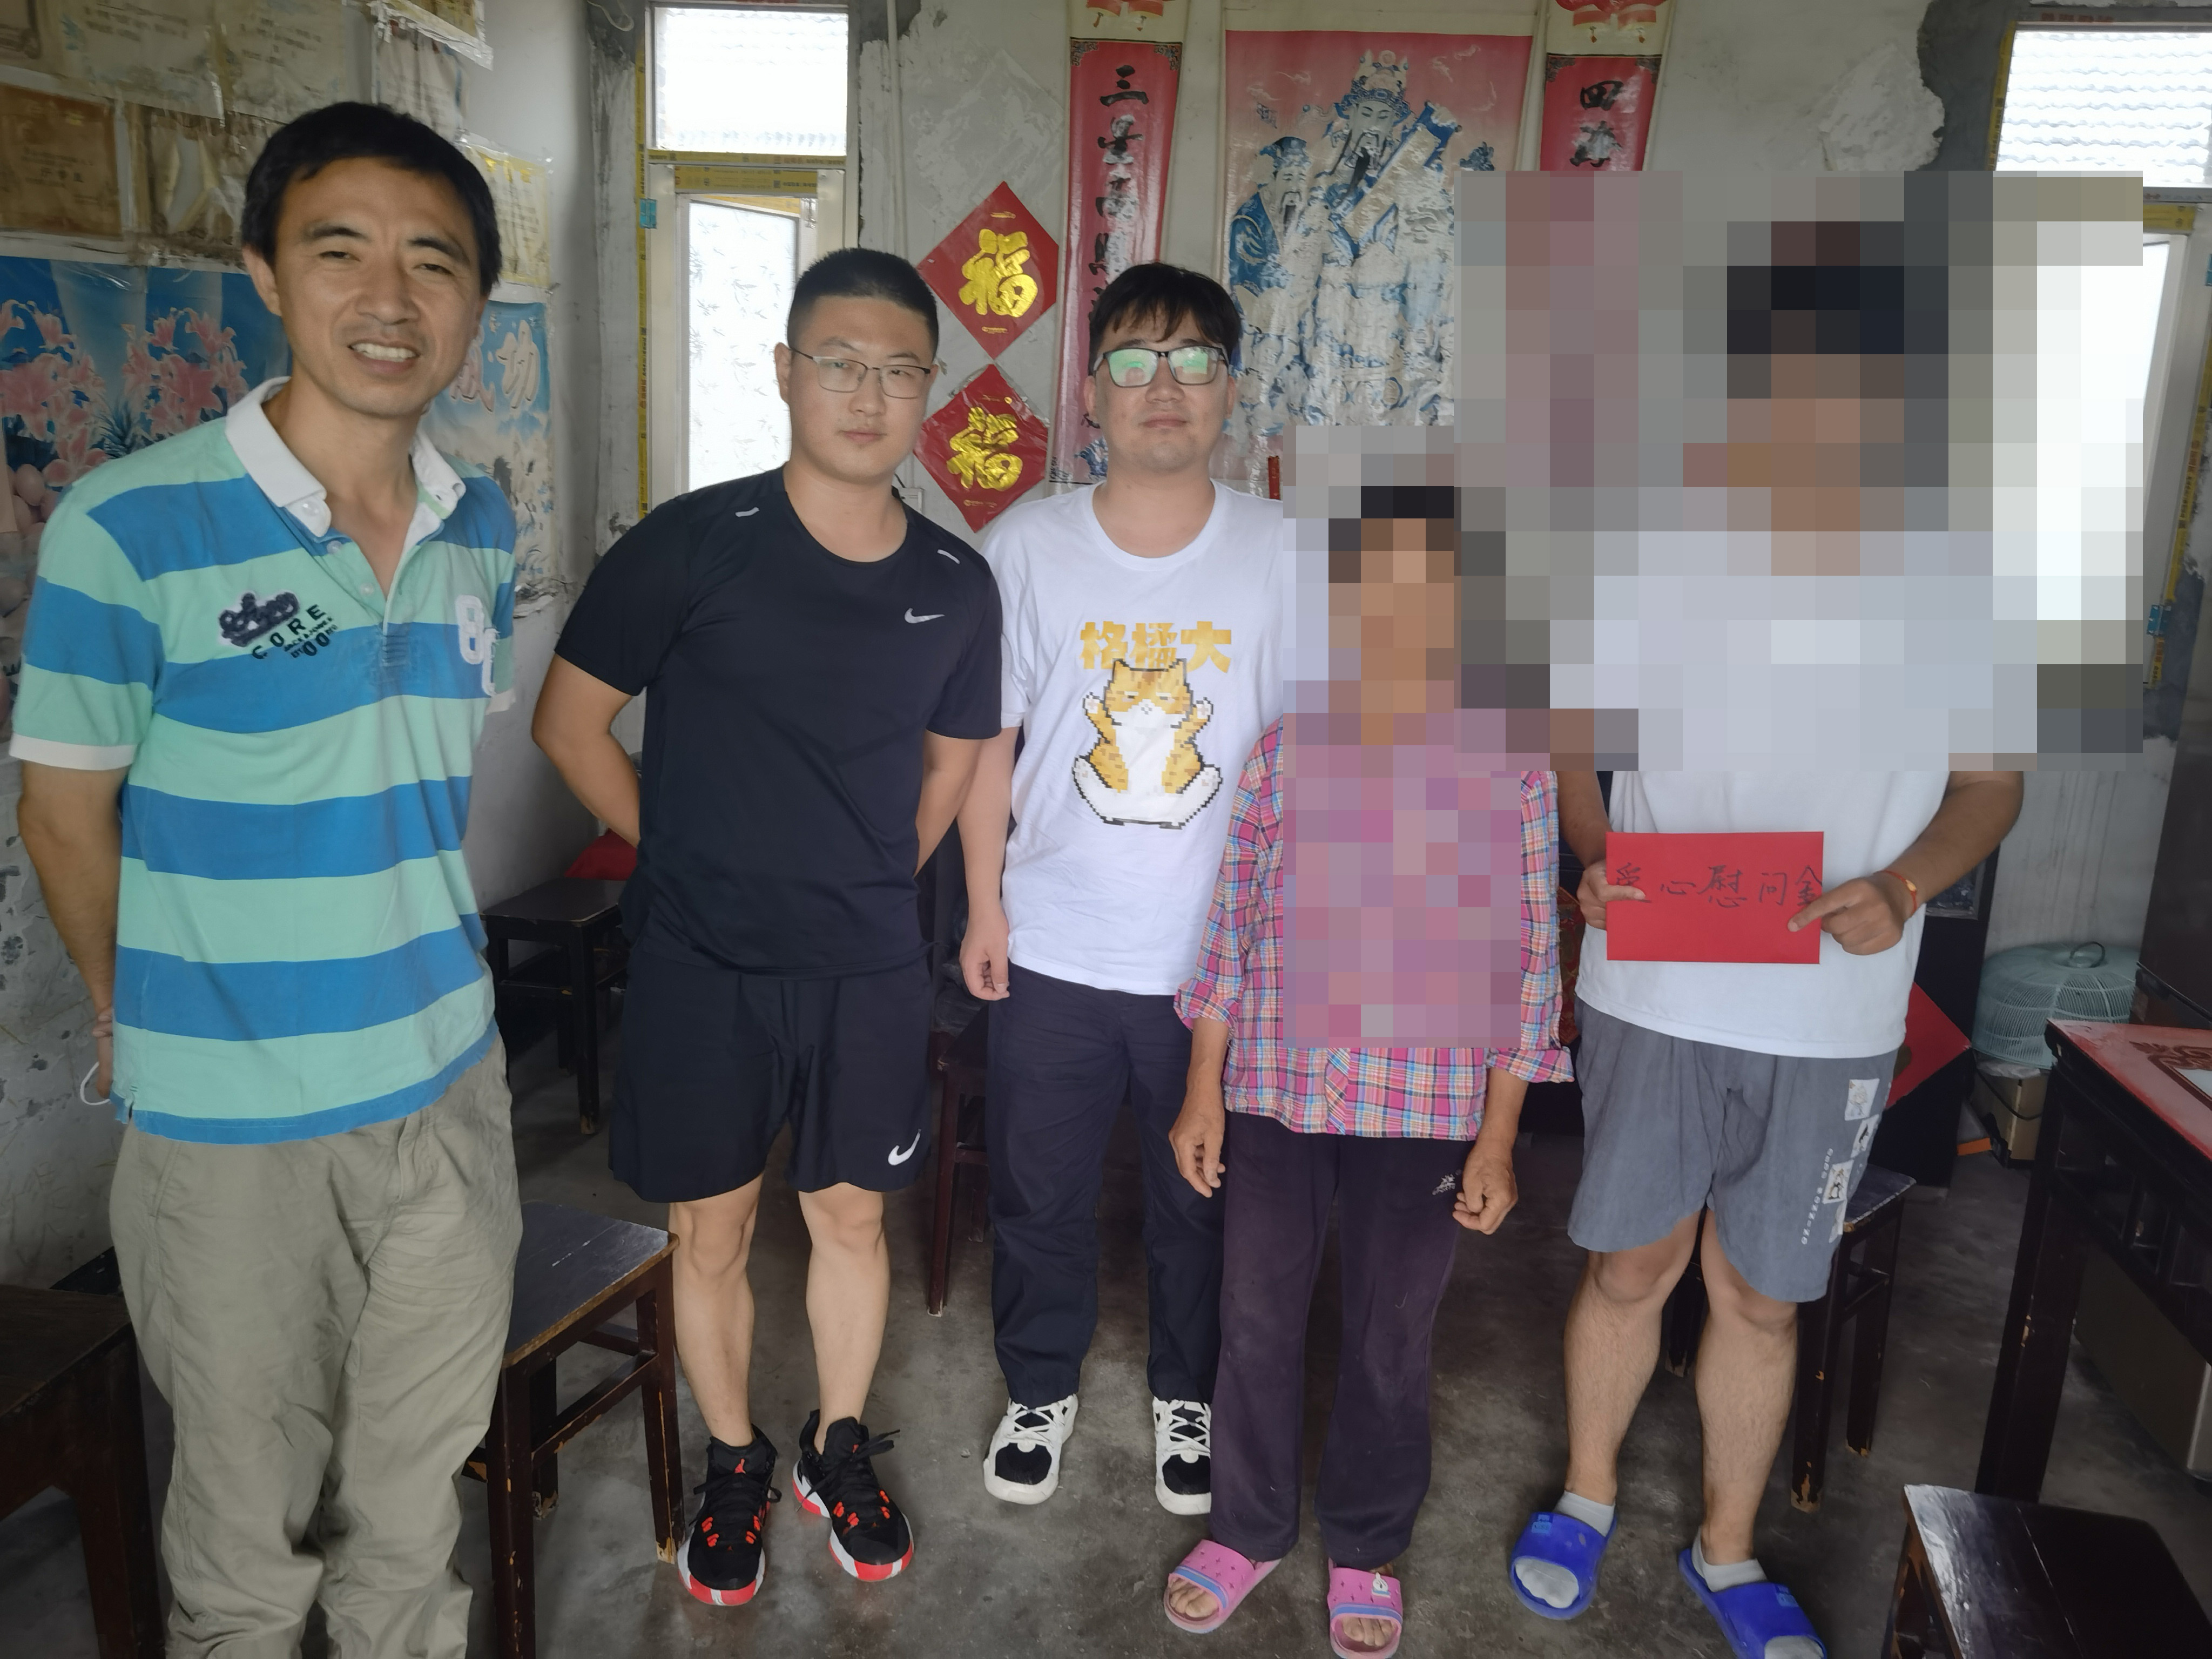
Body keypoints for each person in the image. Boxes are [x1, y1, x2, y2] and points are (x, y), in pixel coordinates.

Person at [15, 103, 520, 1656]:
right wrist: (133, 1009)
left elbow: (413, 793)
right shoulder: (128, 526)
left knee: (414, 1514)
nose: (389, 298)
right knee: (244, 1540)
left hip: (446, 1085)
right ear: (264, 273)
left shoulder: (481, 523)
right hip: (232, 1124)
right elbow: (62, 812)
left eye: (433, 262)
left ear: (475, 300)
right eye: (340, 251)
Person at [532, 247, 999, 1606]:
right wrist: (683, 855)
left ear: (928, 390)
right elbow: (570, 723)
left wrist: (872, 877)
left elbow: (954, 760)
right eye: (838, 363)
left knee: (850, 1219)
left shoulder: (956, 580)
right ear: (786, 373)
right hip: (704, 964)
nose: (866, 393)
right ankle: (732, 1458)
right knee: (713, 1230)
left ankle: (835, 1445)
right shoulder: (690, 543)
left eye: (897, 370)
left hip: (866, 967)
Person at [1155, 495, 1570, 1659]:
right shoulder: (1287, 751)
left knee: (1392, 1334)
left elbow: (1530, 962)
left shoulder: (1511, 768)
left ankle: (1366, 1544)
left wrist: (1499, 1139)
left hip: (1425, 1106)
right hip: (1277, 1090)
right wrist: (1202, 1084)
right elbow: (1231, 928)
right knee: (1253, 1316)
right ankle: (1244, 1528)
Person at [1508, 767, 2022, 1657]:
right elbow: (1573, 725)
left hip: (1831, 1011)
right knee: (1628, 1268)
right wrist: (1595, 849)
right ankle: (1586, 1497)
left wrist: (1906, 888)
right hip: (1652, 981)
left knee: (1761, 1298)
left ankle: (1727, 1551)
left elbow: (1994, 781)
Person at [957, 262, 1289, 1514]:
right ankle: (1038, 1384)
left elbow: (1321, 760)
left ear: (1229, 391)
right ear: (1089, 391)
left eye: (1195, 361)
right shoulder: (1024, 548)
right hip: (1052, 943)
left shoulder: (1285, 554)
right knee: (1035, 1192)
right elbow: (987, 744)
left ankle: (1185, 1396)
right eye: (1136, 361)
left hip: (1213, 967)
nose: (1166, 386)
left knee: (1198, 1201)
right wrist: (984, 904)